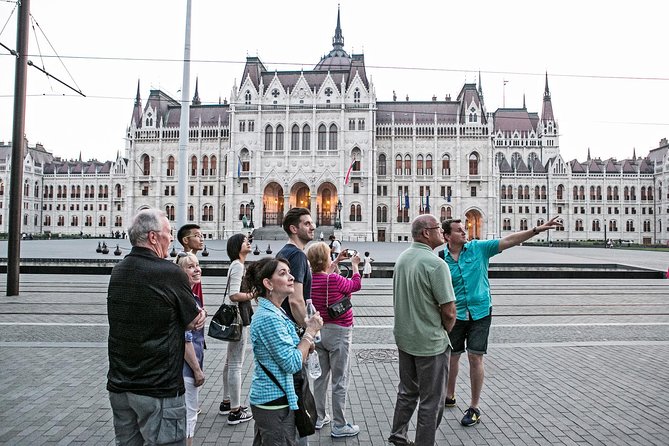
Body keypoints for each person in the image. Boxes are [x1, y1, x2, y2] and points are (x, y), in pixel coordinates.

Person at [440, 216, 561, 427]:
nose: (464, 232)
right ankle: (449, 396)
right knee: (453, 356)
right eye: (459, 230)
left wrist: (536, 230)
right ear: (447, 236)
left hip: (480, 312)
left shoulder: (479, 248)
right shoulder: (441, 259)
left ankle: (474, 407)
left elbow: (509, 240)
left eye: (464, 229)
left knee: (475, 357)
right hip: (456, 314)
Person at [107, 209, 206, 446]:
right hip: (158, 387)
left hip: (121, 386)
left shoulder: (118, 270)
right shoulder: (169, 272)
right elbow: (193, 319)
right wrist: (198, 314)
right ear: (153, 237)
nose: (171, 238)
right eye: (168, 233)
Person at [388, 214, 456, 446]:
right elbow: (449, 311)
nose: (442, 233)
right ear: (427, 233)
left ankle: (398, 436)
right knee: (432, 401)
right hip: (430, 343)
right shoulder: (437, 264)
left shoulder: (403, 258)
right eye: (438, 228)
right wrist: (445, 330)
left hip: (405, 339)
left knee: (407, 392)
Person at [247, 258, 324, 445]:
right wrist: (310, 333)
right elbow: (291, 363)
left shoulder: (277, 311)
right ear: (268, 284)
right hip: (274, 400)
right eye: (283, 274)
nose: (291, 278)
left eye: (289, 272)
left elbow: (289, 349)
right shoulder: (268, 318)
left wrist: (304, 343)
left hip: (278, 397)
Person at [306, 242, 362, 438]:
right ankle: (340, 424)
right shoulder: (335, 280)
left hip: (318, 332)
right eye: (330, 255)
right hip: (339, 332)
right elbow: (356, 285)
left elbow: (324, 273)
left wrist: (337, 260)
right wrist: (355, 265)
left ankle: (320, 417)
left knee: (320, 378)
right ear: (325, 259)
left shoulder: (309, 280)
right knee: (340, 379)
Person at [218, 234, 254, 425]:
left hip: (236, 316)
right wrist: (254, 294)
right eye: (244, 241)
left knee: (229, 361)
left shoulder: (235, 264)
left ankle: (226, 402)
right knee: (236, 364)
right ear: (236, 246)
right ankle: (235, 410)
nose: (248, 242)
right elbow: (234, 295)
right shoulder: (238, 265)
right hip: (239, 317)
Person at [176, 252, 206, 446]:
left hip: (184, 366)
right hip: (186, 369)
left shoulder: (191, 296)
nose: (197, 269)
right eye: (190, 267)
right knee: (189, 416)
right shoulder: (186, 299)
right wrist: (197, 370)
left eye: (197, 265)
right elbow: (186, 339)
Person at [276, 208, 315, 327]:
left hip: (282, 321)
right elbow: (295, 301)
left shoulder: (282, 253)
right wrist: (309, 331)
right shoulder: (298, 256)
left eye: (311, 223)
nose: (313, 227)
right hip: (293, 326)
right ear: (294, 229)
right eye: (307, 224)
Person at [178, 224, 205, 306]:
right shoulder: (181, 262)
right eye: (197, 236)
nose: (202, 239)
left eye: (202, 235)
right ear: (185, 240)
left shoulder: (193, 262)